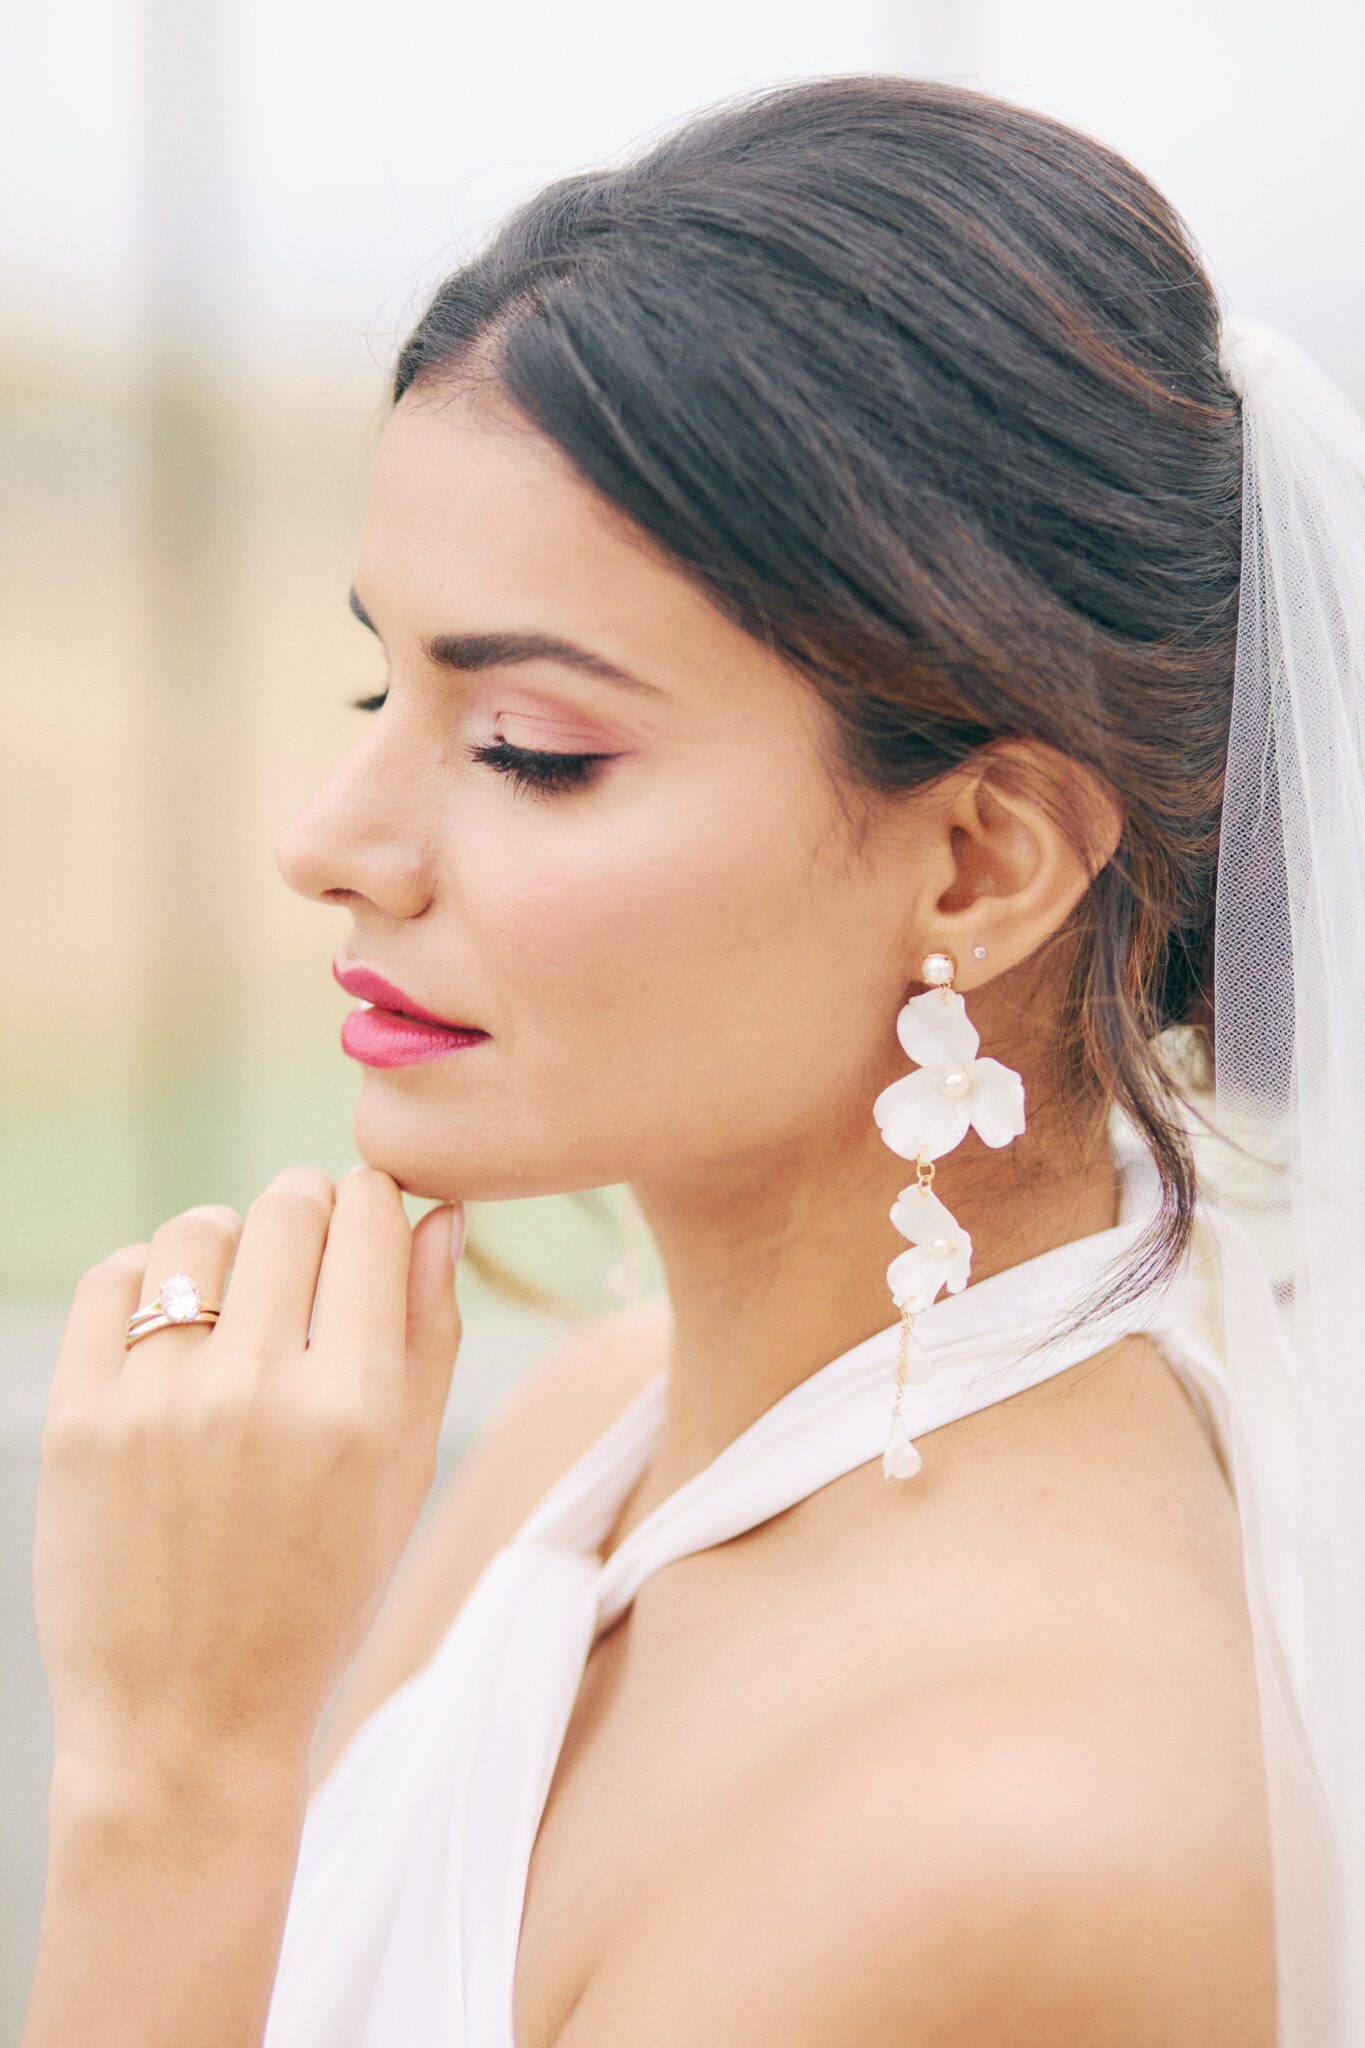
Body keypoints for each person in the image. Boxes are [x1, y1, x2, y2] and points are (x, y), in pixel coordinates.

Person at [22, 73, 1362, 2048]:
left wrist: (176, 1767)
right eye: (376, 681)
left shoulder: (1002, 1830)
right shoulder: (591, 1423)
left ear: (980, 859)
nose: (329, 836)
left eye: (531, 750)